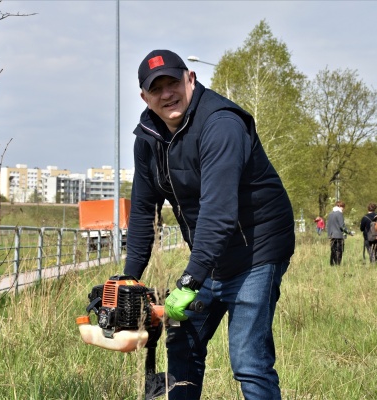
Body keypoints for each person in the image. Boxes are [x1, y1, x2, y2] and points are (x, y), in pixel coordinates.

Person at [123, 49, 295, 400]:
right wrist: (129, 277)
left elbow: (219, 210)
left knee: (248, 359)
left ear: (191, 79)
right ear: (145, 97)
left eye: (173, 82)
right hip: (212, 252)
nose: (166, 93)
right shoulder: (148, 139)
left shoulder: (221, 124)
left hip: (256, 248)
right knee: (182, 343)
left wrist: (190, 278)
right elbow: (143, 210)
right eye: (156, 89)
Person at [327, 200, 354, 266]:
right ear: (340, 206)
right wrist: (349, 232)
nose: (343, 209)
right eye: (343, 207)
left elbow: (328, 225)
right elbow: (342, 226)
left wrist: (329, 234)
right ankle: (337, 265)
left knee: (333, 251)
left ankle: (332, 264)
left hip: (332, 235)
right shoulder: (339, 213)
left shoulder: (331, 214)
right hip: (338, 235)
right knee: (339, 251)